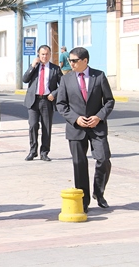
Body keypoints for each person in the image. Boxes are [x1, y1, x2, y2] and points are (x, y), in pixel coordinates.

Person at [56, 47, 114, 213]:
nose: (70, 63)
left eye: (74, 61)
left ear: (84, 61)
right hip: (76, 128)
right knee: (79, 165)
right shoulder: (66, 79)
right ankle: (84, 200)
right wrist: (76, 118)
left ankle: (99, 192)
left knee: (103, 159)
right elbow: (61, 104)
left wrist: (99, 116)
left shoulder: (99, 76)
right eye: (70, 61)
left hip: (97, 127)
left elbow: (109, 101)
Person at [22, 45, 63, 162]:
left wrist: (54, 94)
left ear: (50, 55)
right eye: (42, 54)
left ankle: (44, 152)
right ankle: (32, 151)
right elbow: (25, 79)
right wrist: (32, 65)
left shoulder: (55, 69)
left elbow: (63, 84)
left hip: (47, 100)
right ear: (38, 55)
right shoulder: (34, 67)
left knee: (46, 127)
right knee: (33, 125)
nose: (44, 56)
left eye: (47, 54)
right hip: (33, 100)